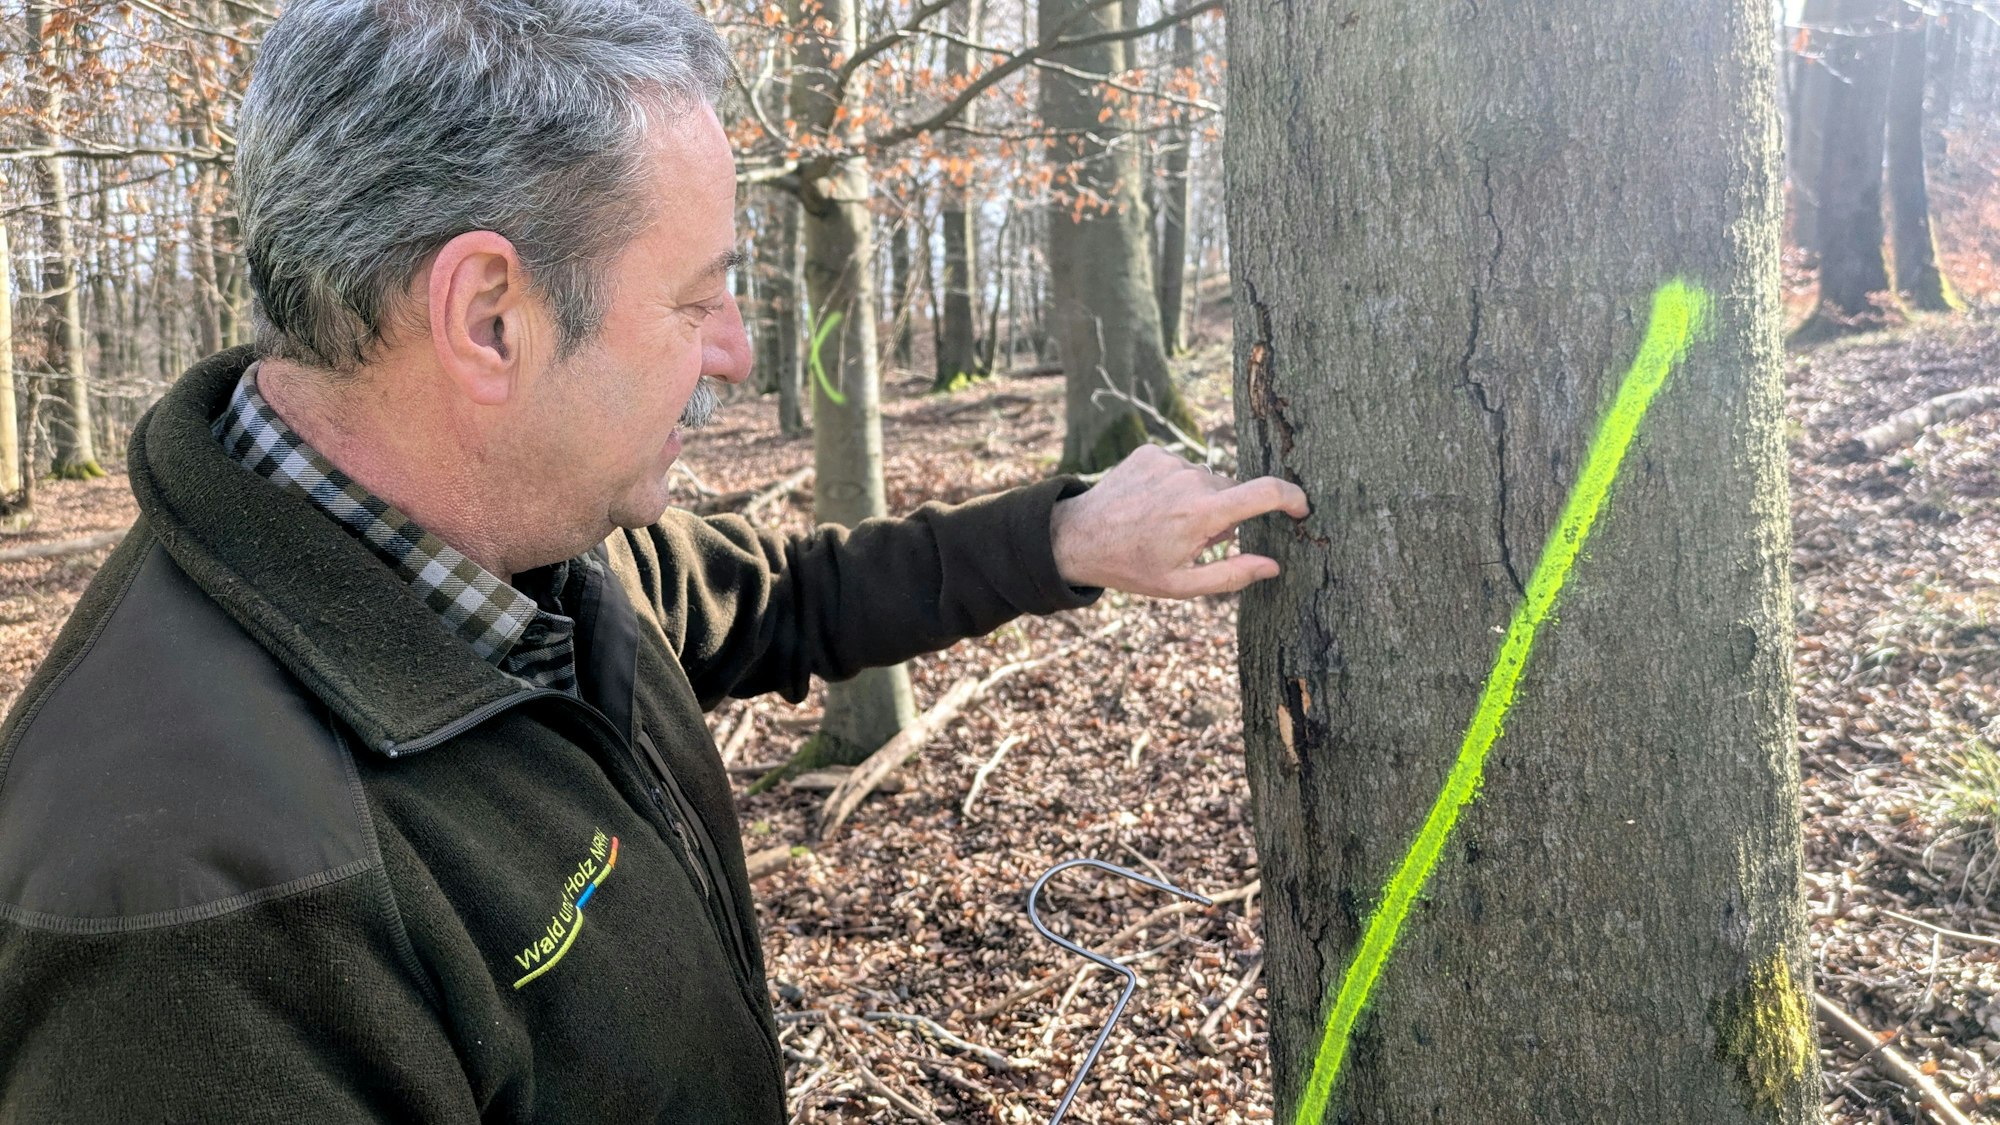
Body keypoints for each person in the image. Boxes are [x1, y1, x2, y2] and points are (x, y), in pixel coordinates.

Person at [0, 1, 1309, 1120]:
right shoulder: (185, 919)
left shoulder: (525, 552)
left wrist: (1067, 536)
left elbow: (788, 594)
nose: (735, 350)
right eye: (694, 298)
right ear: (490, 319)